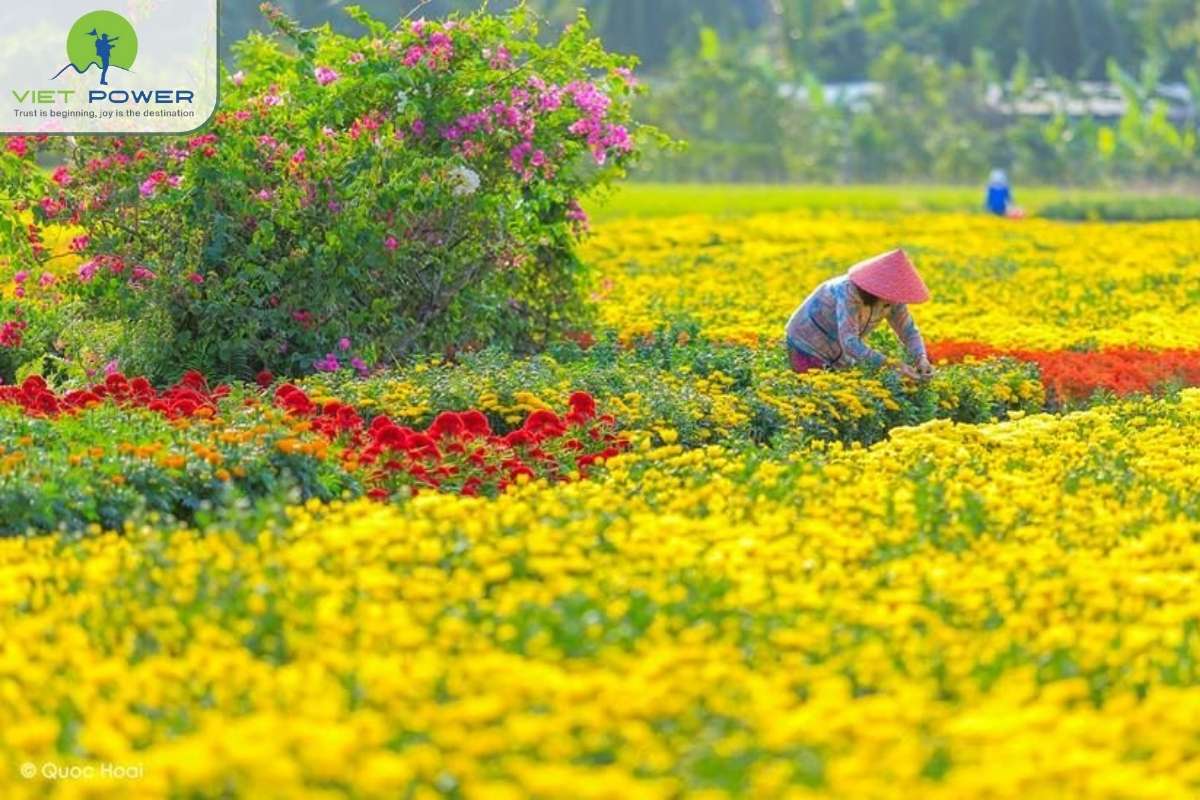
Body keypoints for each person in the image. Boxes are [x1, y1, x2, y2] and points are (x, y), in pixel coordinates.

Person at [784, 249, 933, 379]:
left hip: (838, 349)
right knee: (816, 394)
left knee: (840, 392)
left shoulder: (894, 298)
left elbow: (908, 331)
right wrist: (891, 364)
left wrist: (921, 358)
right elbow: (850, 343)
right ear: (877, 287)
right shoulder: (848, 292)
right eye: (892, 289)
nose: (897, 296)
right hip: (806, 342)